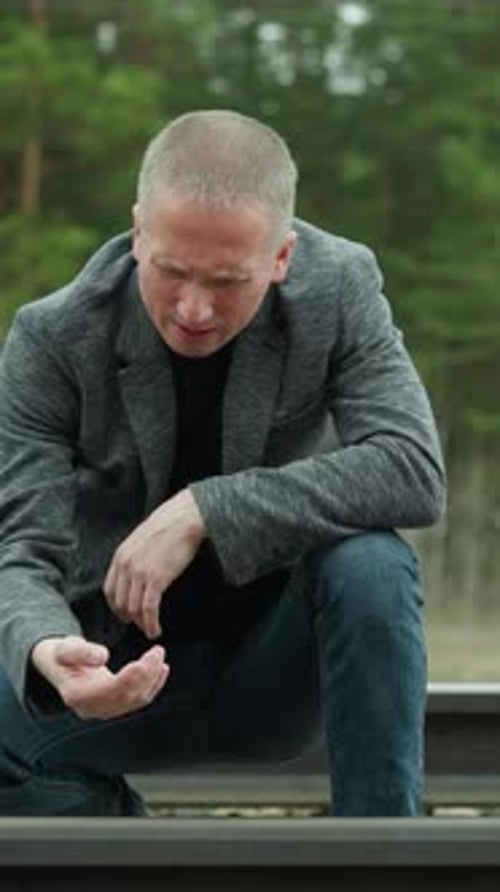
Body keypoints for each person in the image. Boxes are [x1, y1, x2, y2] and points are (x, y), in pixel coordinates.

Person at [0, 109, 445, 817]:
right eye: (171, 271)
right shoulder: (51, 338)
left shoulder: (340, 287)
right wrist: (52, 646)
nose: (195, 309)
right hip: (112, 677)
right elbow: (23, 551)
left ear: (282, 258)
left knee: (370, 560)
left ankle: (385, 853)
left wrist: (206, 507)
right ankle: (106, 823)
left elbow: (413, 468)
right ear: (139, 230)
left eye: (229, 281)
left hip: (275, 671)